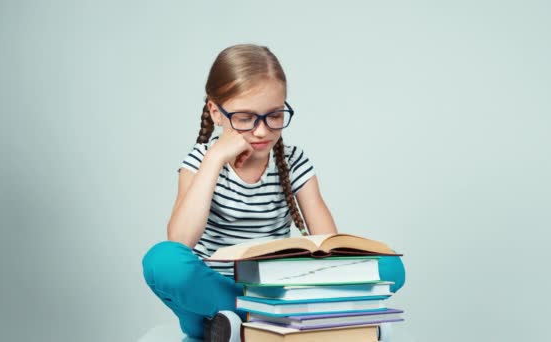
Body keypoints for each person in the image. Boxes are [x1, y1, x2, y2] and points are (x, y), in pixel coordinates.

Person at [142, 43, 406, 342]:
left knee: (391, 266)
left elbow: (330, 245)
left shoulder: (294, 161)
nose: (261, 131)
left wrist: (324, 278)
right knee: (162, 261)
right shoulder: (201, 161)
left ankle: (243, 326)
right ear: (216, 112)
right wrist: (214, 160)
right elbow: (180, 240)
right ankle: (257, 323)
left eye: (274, 115)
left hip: (276, 292)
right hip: (214, 291)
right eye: (245, 117)